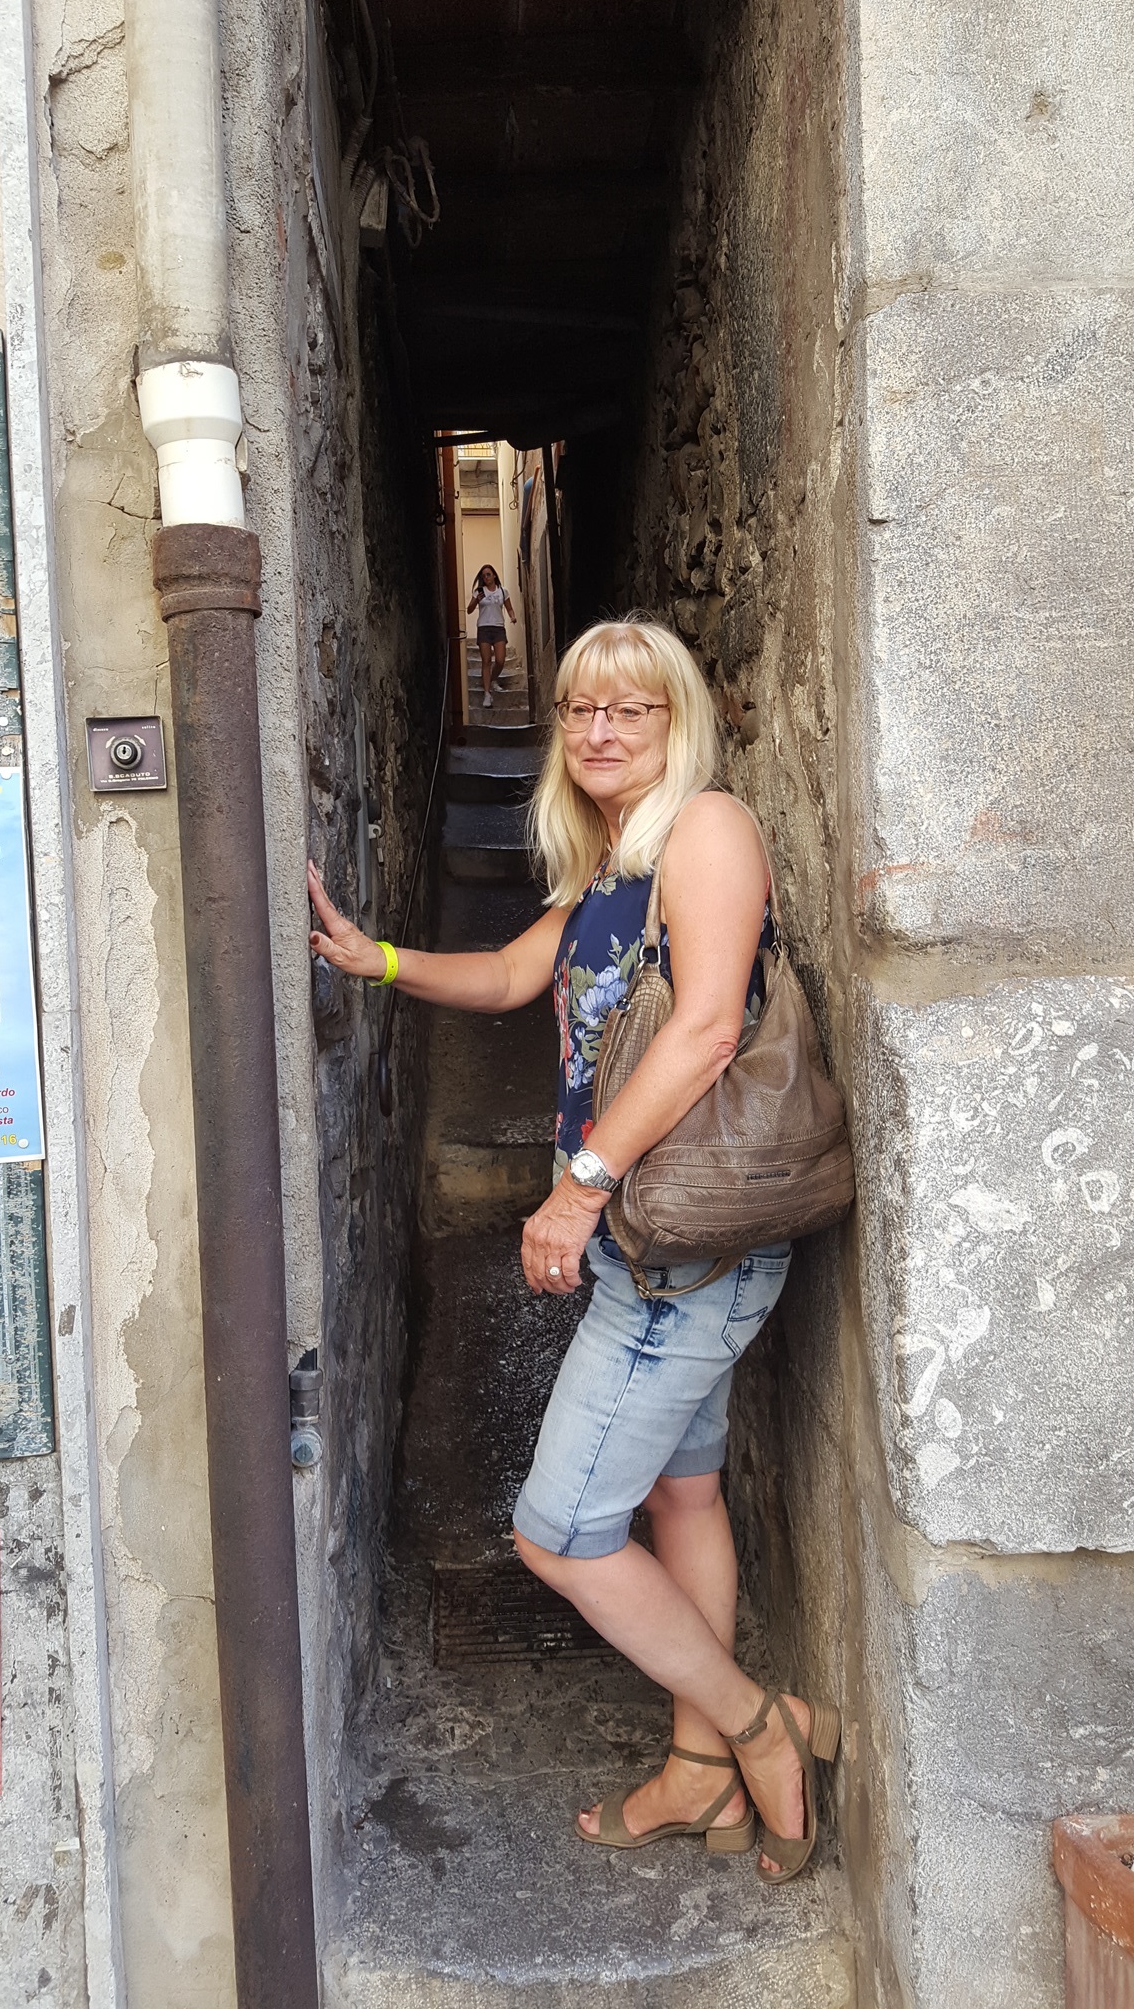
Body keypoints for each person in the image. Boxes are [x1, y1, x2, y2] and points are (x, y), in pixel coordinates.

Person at [307, 616, 839, 1882]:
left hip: (683, 1254)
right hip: (655, 1249)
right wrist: (378, 959)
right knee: (683, 1493)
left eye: (629, 709)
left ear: (676, 723)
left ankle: (763, 1725)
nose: (599, 730)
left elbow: (706, 1029)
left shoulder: (706, 830)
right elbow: (508, 975)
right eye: (580, 710)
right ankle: (699, 1767)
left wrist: (581, 1186)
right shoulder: (611, 862)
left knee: (559, 1530)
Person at [467, 564, 518, 708]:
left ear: (494, 575)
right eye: (483, 576)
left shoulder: (502, 591)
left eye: (488, 574)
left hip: (498, 628)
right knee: (486, 660)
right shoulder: (479, 591)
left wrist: (513, 617)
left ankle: (492, 679)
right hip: (484, 627)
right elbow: (469, 610)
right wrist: (476, 600)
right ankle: (487, 694)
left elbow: (509, 608)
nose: (486, 577)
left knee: (500, 660)